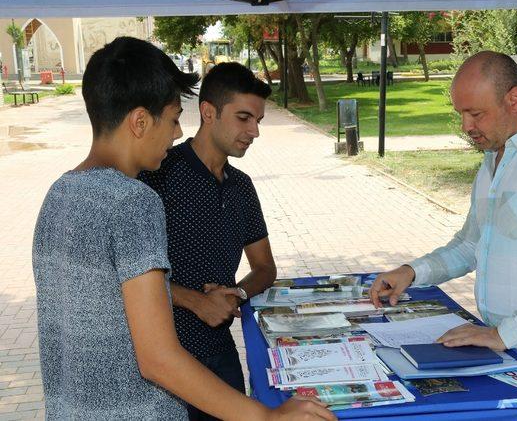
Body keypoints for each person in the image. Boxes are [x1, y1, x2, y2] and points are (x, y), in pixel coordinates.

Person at [33, 36, 334, 421]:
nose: (177, 133)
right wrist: (268, 416)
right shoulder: (133, 201)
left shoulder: (58, 194)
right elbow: (158, 360)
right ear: (140, 121)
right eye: (174, 119)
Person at [370, 51, 517, 421]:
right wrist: (411, 272)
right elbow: (469, 244)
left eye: (475, 113)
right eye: (461, 114)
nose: (466, 125)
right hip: (507, 348)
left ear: (513, 99)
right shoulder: (492, 161)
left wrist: (503, 335)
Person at [138, 62, 277, 420]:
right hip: (162, 357)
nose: (254, 131)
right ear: (209, 112)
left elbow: (264, 267)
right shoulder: (159, 174)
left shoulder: (241, 186)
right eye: (244, 118)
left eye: (258, 121)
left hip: (219, 349)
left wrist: (237, 295)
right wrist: (197, 301)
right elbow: (122, 277)